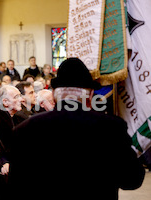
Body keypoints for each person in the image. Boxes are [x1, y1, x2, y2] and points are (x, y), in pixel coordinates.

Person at [9, 58, 145, 200]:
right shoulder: (111, 127)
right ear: (90, 95)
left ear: (54, 94)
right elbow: (132, 180)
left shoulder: (25, 130)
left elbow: (16, 188)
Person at [0, 85, 24, 200]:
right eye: (17, 97)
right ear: (5, 102)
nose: (22, 99)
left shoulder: (19, 119)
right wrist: (4, 162)